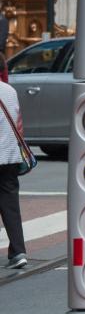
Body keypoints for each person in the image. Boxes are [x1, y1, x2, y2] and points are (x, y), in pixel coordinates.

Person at [0, 77, 26, 270]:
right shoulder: (10, 90)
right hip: (10, 155)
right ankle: (18, 252)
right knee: (10, 207)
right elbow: (17, 122)